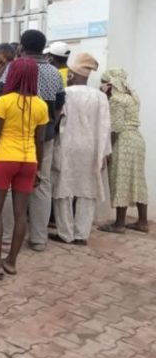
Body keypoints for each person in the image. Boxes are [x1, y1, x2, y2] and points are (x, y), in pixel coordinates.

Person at [0, 30, 65, 251]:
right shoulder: (55, 73)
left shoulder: (14, 68)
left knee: (7, 187)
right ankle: (38, 238)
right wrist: (50, 127)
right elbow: (58, 105)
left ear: (22, 48)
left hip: (12, 134)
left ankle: (5, 237)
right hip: (42, 135)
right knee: (42, 184)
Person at [0, 59, 48, 280]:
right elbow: (41, 141)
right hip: (29, 161)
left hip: (5, 158)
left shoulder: (4, 101)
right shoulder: (41, 105)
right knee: (20, 213)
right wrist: (38, 170)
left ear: (12, 75)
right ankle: (11, 262)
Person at [50, 53, 111, 246]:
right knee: (87, 189)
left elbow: (59, 119)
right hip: (91, 148)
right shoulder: (100, 97)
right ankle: (81, 234)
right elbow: (105, 127)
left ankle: (65, 232)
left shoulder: (66, 94)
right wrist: (104, 153)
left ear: (71, 74)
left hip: (68, 145)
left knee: (63, 188)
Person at [98, 69, 149, 233]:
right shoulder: (133, 97)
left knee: (120, 179)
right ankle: (142, 222)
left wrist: (109, 149)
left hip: (123, 141)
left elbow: (116, 127)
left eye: (104, 82)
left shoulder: (116, 100)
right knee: (138, 180)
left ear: (110, 83)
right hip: (137, 140)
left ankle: (119, 224)